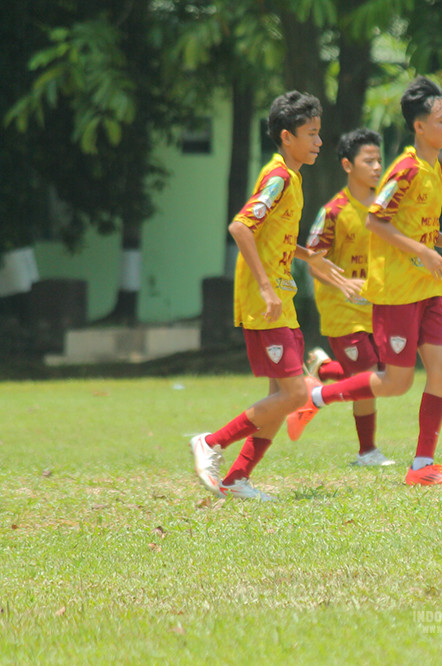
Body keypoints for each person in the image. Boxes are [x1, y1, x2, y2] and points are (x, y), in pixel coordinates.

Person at [285, 76, 442, 486]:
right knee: (395, 382)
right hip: (395, 291)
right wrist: (423, 252)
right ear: (419, 127)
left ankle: (422, 465)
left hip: (427, 290)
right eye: (441, 120)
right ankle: (316, 395)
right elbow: (377, 221)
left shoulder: (435, 171)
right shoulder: (405, 170)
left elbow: (423, 229)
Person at [189, 91, 357, 501]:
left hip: (281, 296)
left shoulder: (292, 177)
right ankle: (210, 443)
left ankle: (236, 478)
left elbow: (272, 235)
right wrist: (265, 287)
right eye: (312, 134)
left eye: (320, 133)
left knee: (281, 398)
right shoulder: (279, 176)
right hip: (267, 301)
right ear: (287, 137)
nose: (319, 142)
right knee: (296, 394)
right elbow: (241, 227)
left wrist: (309, 258)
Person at [290, 127, 395, 467]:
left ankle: (322, 370)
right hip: (341, 309)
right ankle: (367, 452)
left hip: (376, 306)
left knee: (381, 372)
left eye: (379, 160)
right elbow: (313, 262)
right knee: (367, 374)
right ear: (348, 165)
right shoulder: (334, 211)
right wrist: (343, 284)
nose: (377, 167)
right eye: (369, 161)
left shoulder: (385, 208)